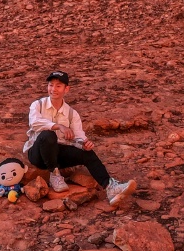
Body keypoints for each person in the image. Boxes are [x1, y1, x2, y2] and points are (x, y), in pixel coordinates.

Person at [24, 70, 136, 205]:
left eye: (58, 86)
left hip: (58, 154)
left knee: (87, 153)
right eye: (51, 85)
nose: (53, 89)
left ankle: (110, 187)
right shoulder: (38, 105)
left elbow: (78, 135)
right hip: (38, 154)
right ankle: (54, 174)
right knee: (48, 135)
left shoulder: (72, 113)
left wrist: (84, 143)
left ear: (67, 89)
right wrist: (58, 126)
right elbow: (35, 123)